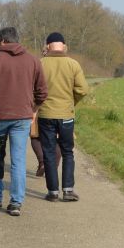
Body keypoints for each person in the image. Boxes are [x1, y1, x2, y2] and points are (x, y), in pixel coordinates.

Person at [0, 26, 47, 217]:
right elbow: (42, 92)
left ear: (2, 41)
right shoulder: (33, 60)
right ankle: (16, 202)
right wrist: (34, 111)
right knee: (18, 160)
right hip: (22, 118)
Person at [37, 32, 89, 201]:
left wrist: (37, 104)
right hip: (66, 114)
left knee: (49, 152)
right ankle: (68, 190)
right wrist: (71, 102)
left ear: (47, 46)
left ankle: (52, 192)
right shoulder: (73, 64)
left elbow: (32, 88)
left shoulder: (40, 63)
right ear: (64, 46)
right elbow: (83, 89)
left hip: (45, 114)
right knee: (67, 151)